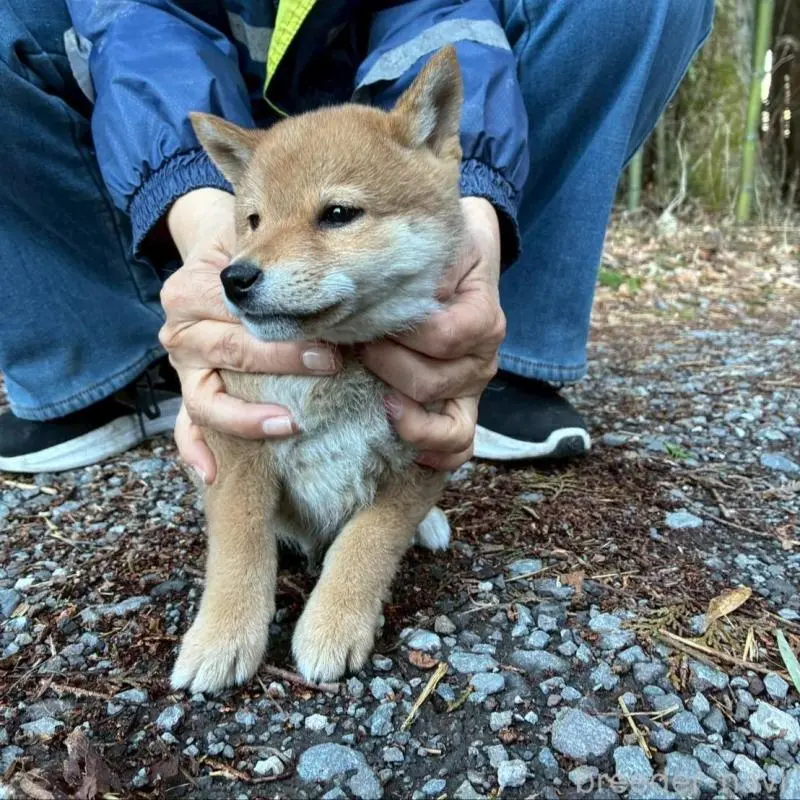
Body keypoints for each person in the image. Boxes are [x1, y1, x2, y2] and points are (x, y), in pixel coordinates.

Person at [0, 0, 714, 479]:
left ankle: (479, 349)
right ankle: (114, 356)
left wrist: (473, 208)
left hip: (380, 105)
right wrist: (203, 217)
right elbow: (136, 22)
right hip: (218, 118)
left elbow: (444, 17)